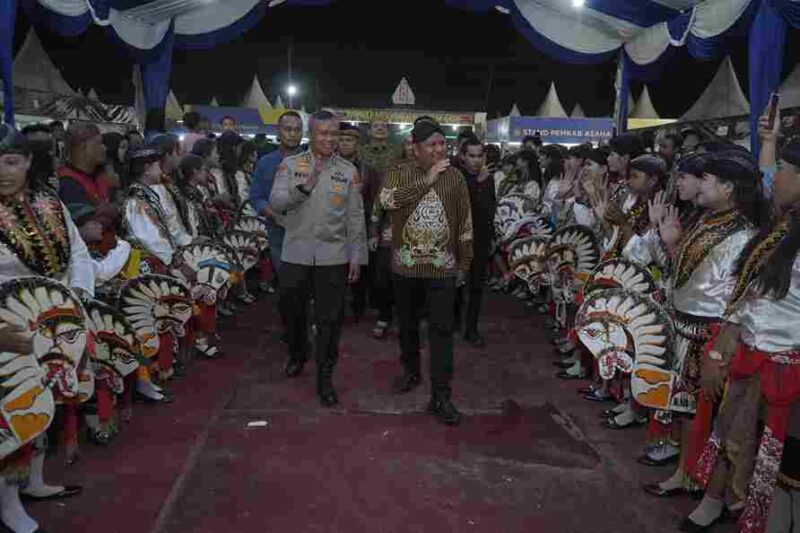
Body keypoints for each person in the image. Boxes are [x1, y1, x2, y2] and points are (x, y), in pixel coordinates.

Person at [0, 124, 93, 532]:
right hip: (7, 330)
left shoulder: (49, 201)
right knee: (15, 411)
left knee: (48, 401)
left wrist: (76, 298)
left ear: (29, 162)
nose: (3, 171)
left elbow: (79, 254)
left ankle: (34, 482)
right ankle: (7, 503)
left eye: (11, 161)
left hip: (54, 324)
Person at [377, 117, 473, 426]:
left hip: (442, 269)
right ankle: (411, 371)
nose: (439, 149)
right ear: (415, 148)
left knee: (442, 332)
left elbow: (464, 222)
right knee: (406, 325)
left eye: (442, 144)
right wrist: (426, 181)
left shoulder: (456, 177)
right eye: (431, 145)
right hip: (405, 266)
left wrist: (465, 263)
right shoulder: (398, 172)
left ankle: (441, 395)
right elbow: (387, 202)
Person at [269, 110, 368, 407]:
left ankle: (325, 375)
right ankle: (298, 352)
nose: (329, 139)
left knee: (330, 320)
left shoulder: (348, 171)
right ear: (310, 135)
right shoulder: (289, 166)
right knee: (291, 311)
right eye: (323, 133)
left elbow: (355, 216)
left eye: (333, 134)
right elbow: (276, 202)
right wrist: (305, 187)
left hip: (333, 257)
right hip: (296, 253)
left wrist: (357, 256)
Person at [250, 111, 304, 274]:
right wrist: (275, 216)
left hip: (309, 235)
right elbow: (256, 197)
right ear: (278, 131)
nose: (293, 134)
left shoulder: (314, 161)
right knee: (287, 283)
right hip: (278, 233)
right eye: (288, 129)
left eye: (297, 129)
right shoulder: (265, 163)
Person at [454, 136, 495, 347]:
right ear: (463, 156)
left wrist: (492, 240)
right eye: (472, 155)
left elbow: (490, 210)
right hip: (456, 241)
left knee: (477, 288)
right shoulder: (455, 176)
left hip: (480, 242)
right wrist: (477, 184)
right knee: (454, 286)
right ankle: (452, 324)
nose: (476, 160)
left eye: (480, 156)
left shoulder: (489, 178)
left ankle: (471, 329)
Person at [57, 122, 118, 257]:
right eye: (99, 143)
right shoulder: (67, 181)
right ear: (83, 146)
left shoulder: (101, 175)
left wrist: (108, 209)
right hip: (87, 259)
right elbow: (91, 224)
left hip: (111, 253)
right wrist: (113, 209)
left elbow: (119, 209)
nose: (104, 148)